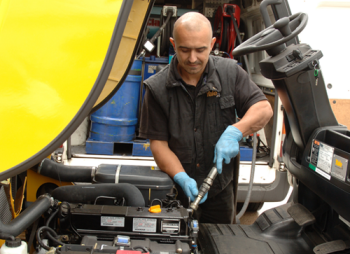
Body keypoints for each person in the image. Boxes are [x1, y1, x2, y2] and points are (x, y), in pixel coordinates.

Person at [139, 12, 273, 224]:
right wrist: (181, 177)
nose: (192, 58)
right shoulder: (156, 88)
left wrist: (236, 131)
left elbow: (264, 108)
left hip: (220, 189)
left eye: (200, 50)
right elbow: (159, 145)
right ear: (173, 44)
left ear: (212, 44)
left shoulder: (230, 73)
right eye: (184, 49)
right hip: (177, 190)